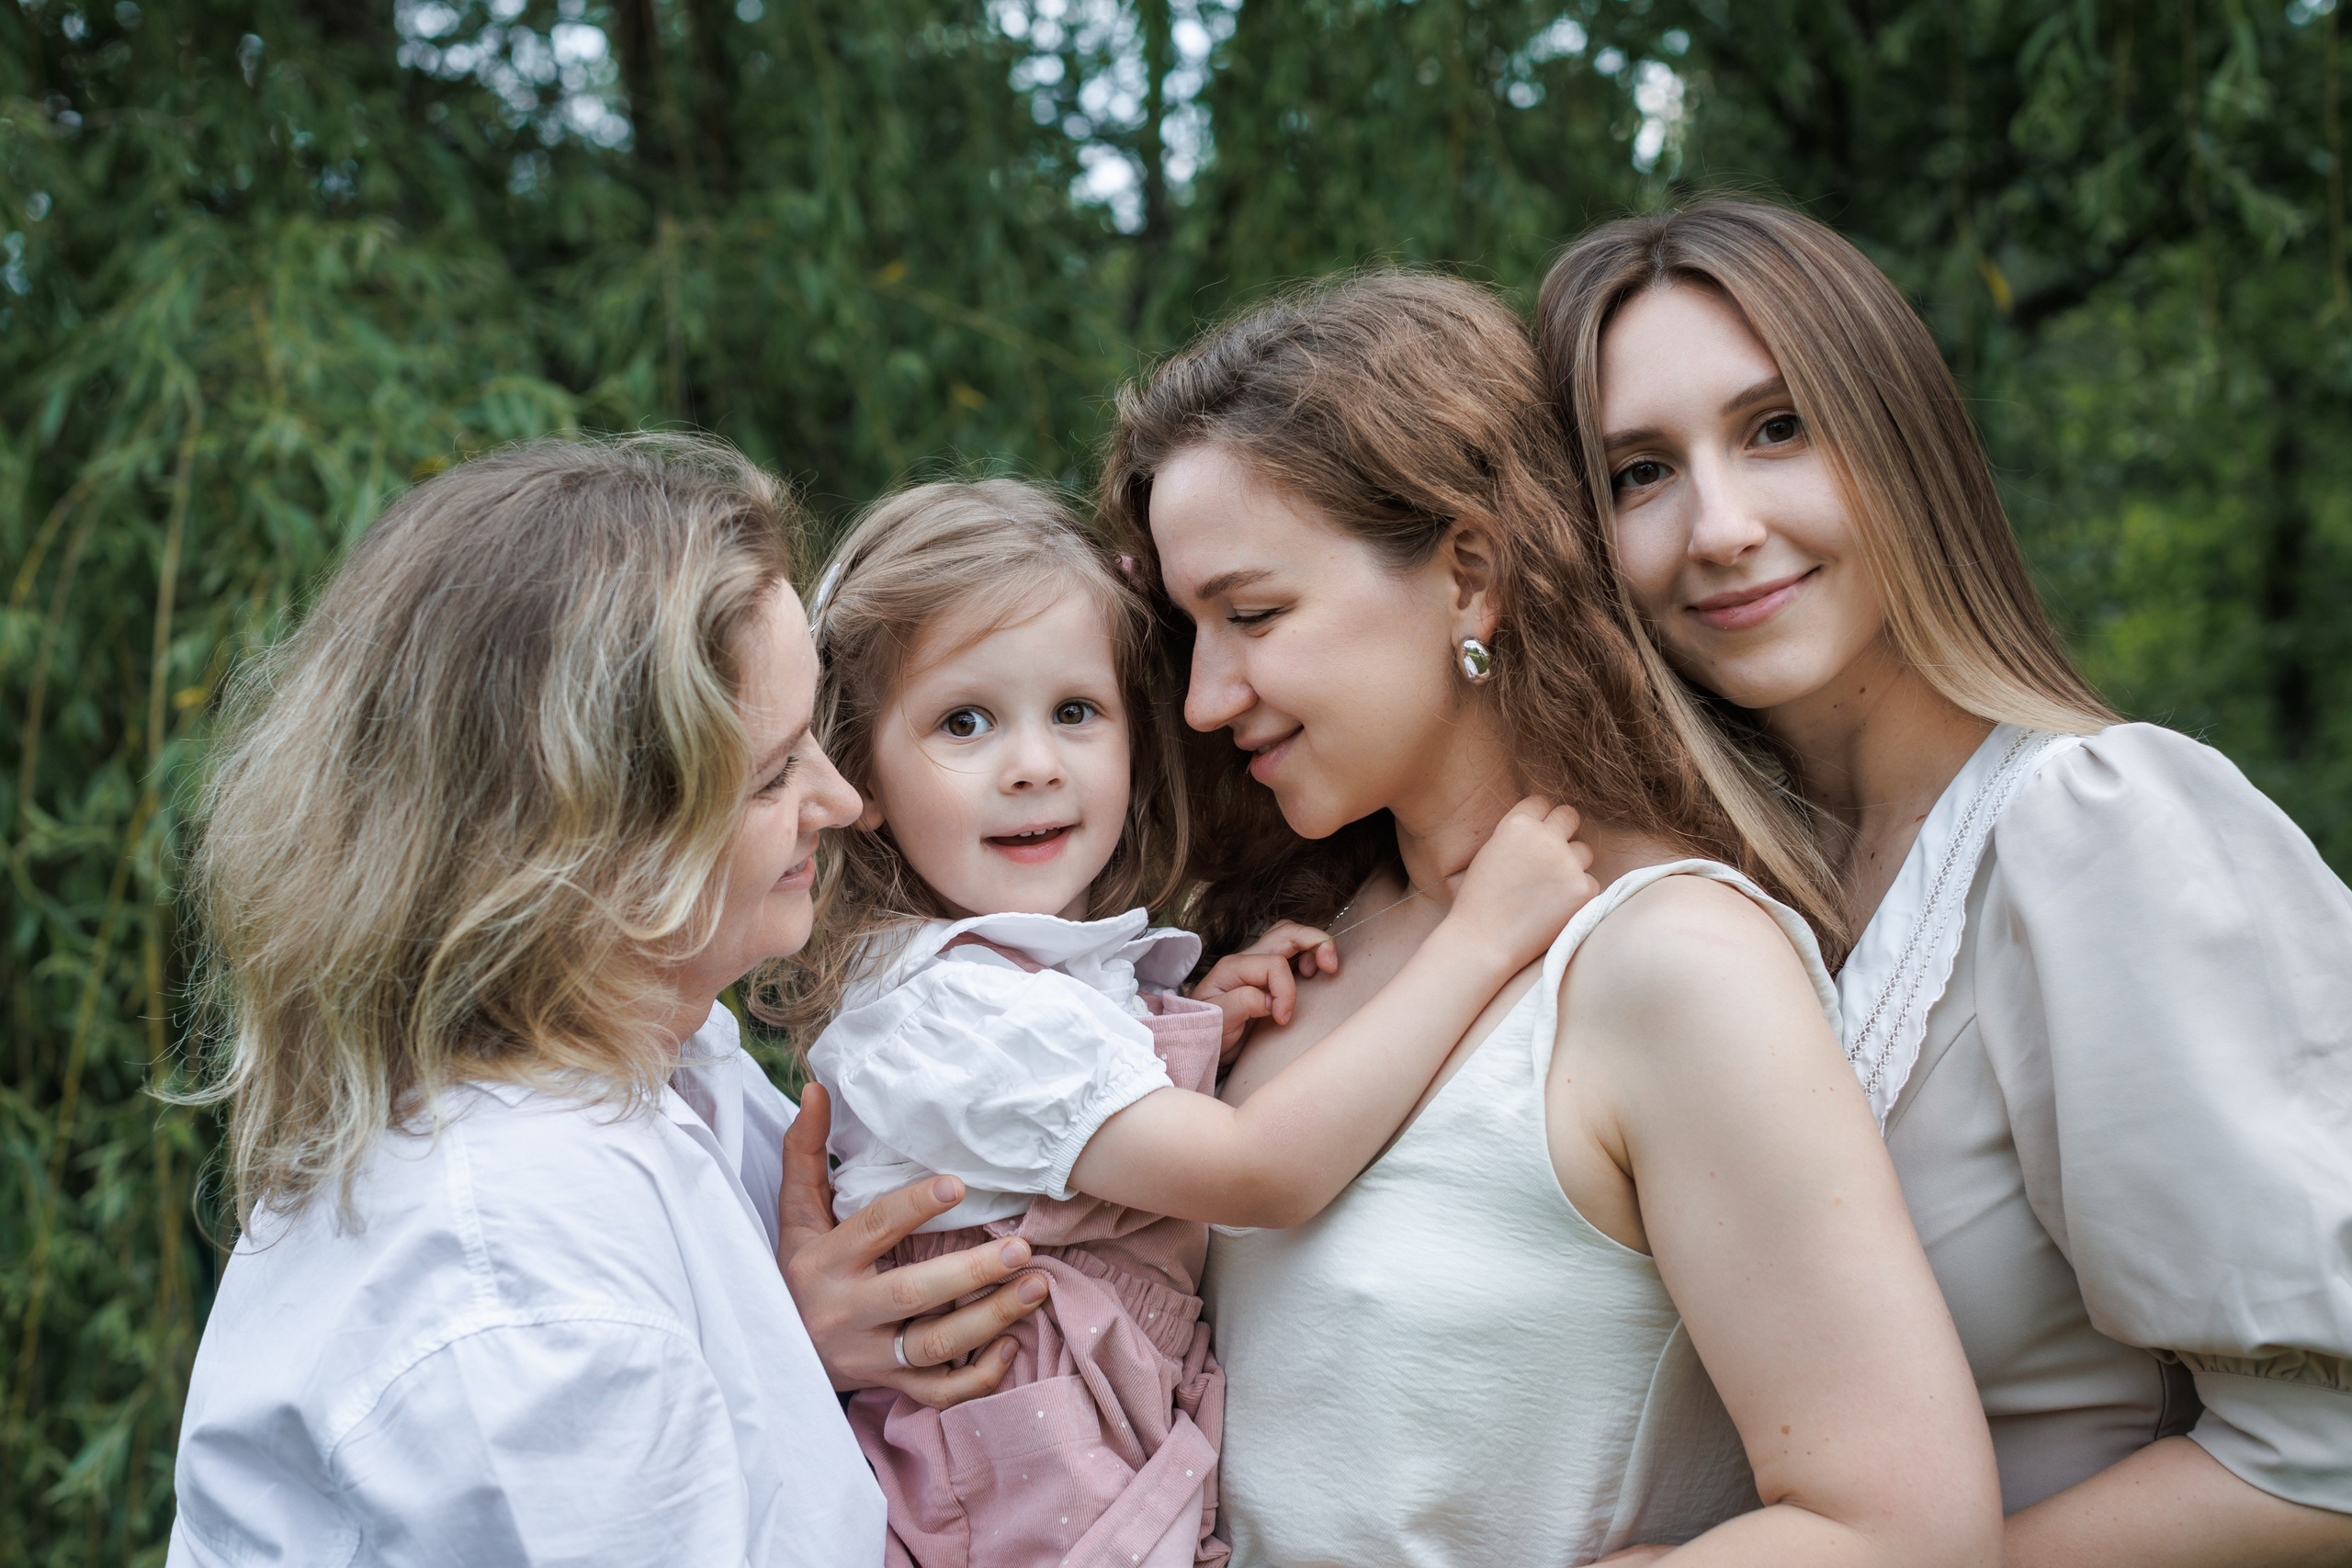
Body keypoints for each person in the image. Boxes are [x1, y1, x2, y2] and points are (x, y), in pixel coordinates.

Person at [1090, 273, 2002, 1567]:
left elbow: (1906, 1527)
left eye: (1253, 614)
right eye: (1189, 631)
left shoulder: (1671, 961)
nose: (1204, 697)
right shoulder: (1286, 955)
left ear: (1471, 572)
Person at [1535, 197, 2352, 1566]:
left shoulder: (2100, 824)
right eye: (1638, 472)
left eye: (1777, 427)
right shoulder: (1711, 898)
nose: (1721, 526)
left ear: (1900, 442)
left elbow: (2326, 1458)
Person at [168, 437, 1046, 1568]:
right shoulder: (524, 1291)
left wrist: (789, 1342)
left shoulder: (661, 1058)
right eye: (773, 775)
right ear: (587, 843)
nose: (844, 802)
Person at [760, 479, 1595, 1567]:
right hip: (1027, 1504)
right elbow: (1259, 1173)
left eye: (1075, 711)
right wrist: (1480, 938)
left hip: (1089, 1470)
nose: (1031, 763)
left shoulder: (1033, 985)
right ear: (860, 771)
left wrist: (1192, 1024)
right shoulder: (944, 1012)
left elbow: (1066, 1140)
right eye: (963, 722)